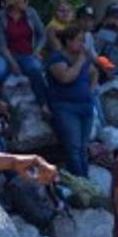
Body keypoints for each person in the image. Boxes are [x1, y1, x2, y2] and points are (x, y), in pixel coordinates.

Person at [44, 25, 97, 176]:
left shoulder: (84, 58)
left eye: (83, 40)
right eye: (79, 40)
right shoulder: (57, 58)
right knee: (73, 148)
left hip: (85, 107)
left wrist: (91, 90)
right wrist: (80, 61)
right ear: (68, 41)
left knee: (83, 148)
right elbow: (65, 77)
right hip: (66, 108)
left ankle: (84, 183)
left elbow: (94, 73)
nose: (82, 44)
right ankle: (80, 184)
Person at [0, 0, 49, 108]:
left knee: (36, 71)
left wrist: (37, 51)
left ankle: (44, 105)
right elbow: (1, 45)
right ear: (13, 2)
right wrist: (12, 63)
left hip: (27, 52)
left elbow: (42, 35)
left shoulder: (31, 13)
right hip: (6, 53)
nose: (27, 2)